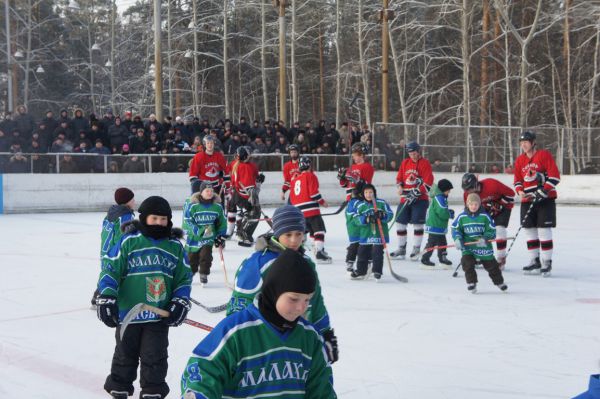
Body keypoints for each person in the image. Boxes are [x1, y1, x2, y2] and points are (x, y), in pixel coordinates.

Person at [181, 249, 337, 398]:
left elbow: (321, 388)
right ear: (275, 292)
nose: (301, 307)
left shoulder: (310, 337)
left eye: (307, 299)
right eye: (294, 299)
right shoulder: (235, 331)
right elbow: (204, 371)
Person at [96, 196, 192, 398]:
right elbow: (110, 269)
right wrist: (107, 296)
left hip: (157, 314)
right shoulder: (129, 241)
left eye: (163, 219)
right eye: (154, 218)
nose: (159, 223)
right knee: (125, 352)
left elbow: (183, 278)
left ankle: (153, 389)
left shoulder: (174, 246)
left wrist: (180, 301)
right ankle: (119, 383)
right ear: (144, 218)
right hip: (128, 312)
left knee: (155, 355)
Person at [226, 205, 338, 362]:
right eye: (288, 234)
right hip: (263, 344)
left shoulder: (305, 263)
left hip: (299, 339)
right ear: (278, 233)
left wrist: (325, 332)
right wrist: (237, 338)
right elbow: (239, 306)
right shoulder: (258, 264)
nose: (294, 240)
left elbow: (315, 302)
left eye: (299, 234)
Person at [513, 131, 560, 276]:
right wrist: (520, 191)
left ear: (533, 142)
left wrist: (544, 190)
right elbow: (517, 180)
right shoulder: (520, 160)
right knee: (529, 230)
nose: (523, 145)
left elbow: (555, 176)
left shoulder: (543, 155)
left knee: (543, 230)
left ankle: (546, 262)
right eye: (521, 142)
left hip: (544, 199)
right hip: (528, 200)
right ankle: (534, 260)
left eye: (526, 141)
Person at [451, 193, 507, 293]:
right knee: (467, 263)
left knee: (492, 265)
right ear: (467, 204)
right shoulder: (462, 217)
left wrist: (485, 237)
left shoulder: (485, 216)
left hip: (483, 245)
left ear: (479, 205)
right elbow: (455, 229)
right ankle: (471, 283)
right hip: (468, 246)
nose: (473, 206)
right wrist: (457, 239)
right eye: (471, 204)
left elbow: (492, 229)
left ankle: (499, 282)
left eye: (476, 204)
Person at [91, 188, 136, 307]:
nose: (134, 202)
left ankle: (97, 298)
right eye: (132, 200)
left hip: (105, 251)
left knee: (108, 273)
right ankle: (116, 299)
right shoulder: (125, 216)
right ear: (127, 202)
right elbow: (125, 236)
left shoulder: (110, 214)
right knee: (120, 274)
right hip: (116, 252)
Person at [390, 141, 434, 260]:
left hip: (420, 199)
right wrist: (399, 187)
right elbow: (399, 178)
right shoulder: (405, 163)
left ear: (418, 151)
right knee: (400, 222)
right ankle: (401, 248)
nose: (412, 155)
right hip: (405, 198)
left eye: (414, 153)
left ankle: (416, 248)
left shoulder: (425, 164)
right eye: (410, 153)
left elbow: (428, 183)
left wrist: (417, 191)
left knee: (417, 224)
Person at [462, 172, 515, 269]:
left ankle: (500, 258)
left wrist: (499, 205)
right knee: (477, 229)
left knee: (499, 230)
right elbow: (468, 211)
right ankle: (479, 255)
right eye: (466, 189)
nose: (468, 192)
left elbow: (511, 194)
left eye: (469, 188)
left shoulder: (492, 184)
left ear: (475, 184)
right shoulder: (467, 194)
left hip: (503, 207)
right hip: (485, 209)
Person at [183, 181, 227, 286]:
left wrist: (220, 235)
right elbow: (187, 221)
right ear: (201, 192)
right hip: (194, 237)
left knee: (206, 255)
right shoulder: (193, 206)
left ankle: (204, 273)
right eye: (207, 190)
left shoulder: (217, 207)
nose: (210, 192)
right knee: (191, 258)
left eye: (211, 190)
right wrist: (198, 231)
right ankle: (190, 274)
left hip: (209, 237)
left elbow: (222, 222)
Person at [289, 155, 332, 263]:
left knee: (308, 232)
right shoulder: (310, 175)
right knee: (319, 231)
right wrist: (323, 202)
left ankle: (307, 251)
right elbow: (313, 193)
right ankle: (319, 253)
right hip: (311, 210)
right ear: (309, 165)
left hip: (299, 211)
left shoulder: (294, 179)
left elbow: (292, 198)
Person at [350, 184, 393, 281]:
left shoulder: (381, 203)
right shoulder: (360, 205)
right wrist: (367, 219)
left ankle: (377, 271)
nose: (368, 194)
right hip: (366, 233)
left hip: (378, 233)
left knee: (377, 252)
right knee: (362, 252)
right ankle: (361, 271)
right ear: (363, 194)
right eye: (366, 192)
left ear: (374, 193)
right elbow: (355, 218)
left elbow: (390, 214)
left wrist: (382, 216)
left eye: (370, 192)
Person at [224, 146, 264, 246]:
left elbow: (227, 171)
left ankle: (235, 232)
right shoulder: (247, 167)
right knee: (254, 213)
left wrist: (258, 180)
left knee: (236, 211)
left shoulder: (234, 164)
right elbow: (250, 188)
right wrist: (258, 184)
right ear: (246, 156)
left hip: (236, 193)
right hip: (243, 195)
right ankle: (245, 234)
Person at [420, 179, 454, 269]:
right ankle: (424, 259)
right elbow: (442, 212)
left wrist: (448, 211)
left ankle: (443, 258)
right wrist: (449, 214)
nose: (449, 192)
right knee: (432, 243)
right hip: (435, 225)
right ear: (443, 189)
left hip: (438, 225)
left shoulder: (440, 197)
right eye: (448, 190)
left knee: (442, 243)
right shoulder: (439, 197)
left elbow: (442, 209)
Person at [344, 180, 365, 273]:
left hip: (363, 228)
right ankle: (350, 262)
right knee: (355, 245)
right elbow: (352, 216)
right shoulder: (354, 202)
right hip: (354, 228)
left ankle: (366, 262)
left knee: (365, 245)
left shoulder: (363, 202)